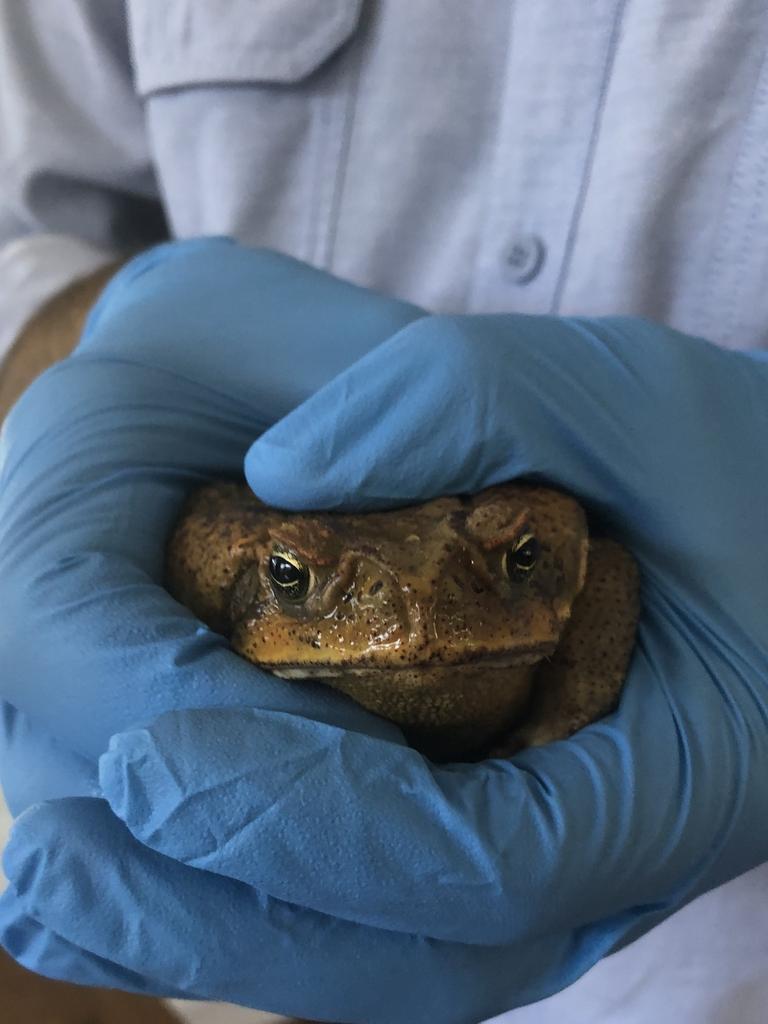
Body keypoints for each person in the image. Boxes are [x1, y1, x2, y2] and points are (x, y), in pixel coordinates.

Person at [0, 3, 767, 1023]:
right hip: (249, 963)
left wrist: (561, 708)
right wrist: (94, 335)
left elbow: (605, 569)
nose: (410, 616)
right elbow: (25, 218)